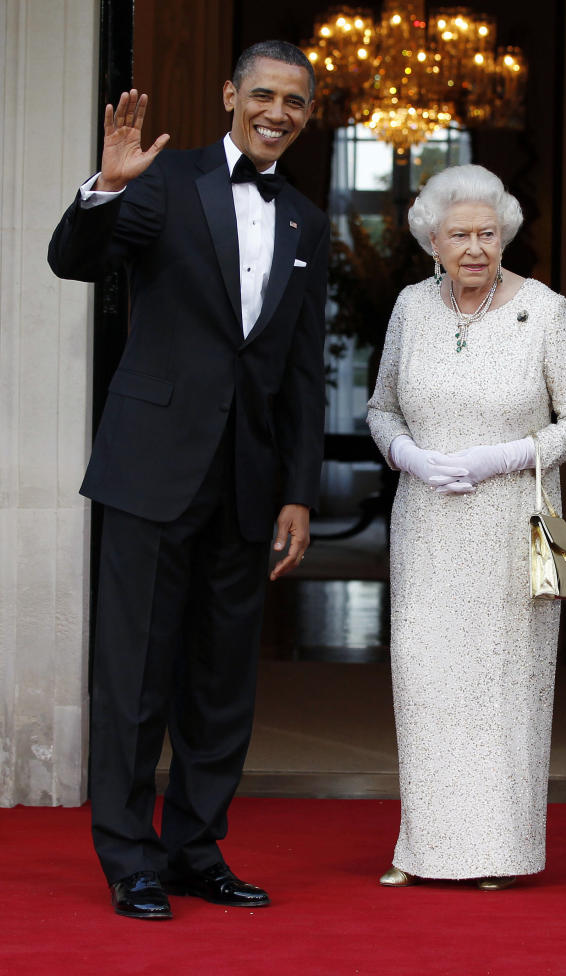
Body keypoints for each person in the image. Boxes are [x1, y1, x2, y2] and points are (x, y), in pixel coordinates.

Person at [46, 41, 329, 920]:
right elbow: (74, 260)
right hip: (150, 468)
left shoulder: (306, 222)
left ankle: (195, 849)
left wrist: (299, 490)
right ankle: (128, 857)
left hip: (247, 481)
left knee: (219, 680)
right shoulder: (165, 181)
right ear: (230, 95)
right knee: (134, 675)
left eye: (295, 101)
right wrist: (108, 187)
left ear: (309, 115)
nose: (277, 111)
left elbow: (303, 372)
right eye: (264, 94)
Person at [366, 164, 566, 891]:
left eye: (488, 234)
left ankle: (497, 851)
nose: (475, 247)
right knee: (427, 682)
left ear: (506, 237)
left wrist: (507, 455)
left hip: (508, 527)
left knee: (501, 692)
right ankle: (426, 849)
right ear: (431, 241)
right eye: (459, 235)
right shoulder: (411, 308)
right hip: (428, 523)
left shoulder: (545, 310)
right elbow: (381, 408)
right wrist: (405, 454)